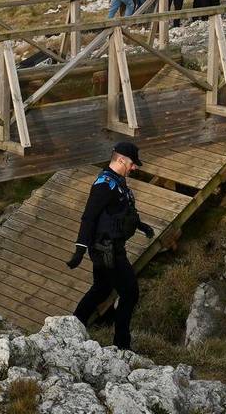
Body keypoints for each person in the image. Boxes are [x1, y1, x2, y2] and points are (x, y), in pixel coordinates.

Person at [66, 141, 156, 351]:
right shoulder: (104, 185)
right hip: (107, 250)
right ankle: (122, 344)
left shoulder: (117, 180)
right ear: (121, 159)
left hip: (110, 246)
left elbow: (120, 211)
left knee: (102, 288)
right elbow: (89, 217)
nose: (134, 168)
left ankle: (72, 326)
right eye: (133, 163)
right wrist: (79, 248)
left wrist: (142, 226)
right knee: (130, 292)